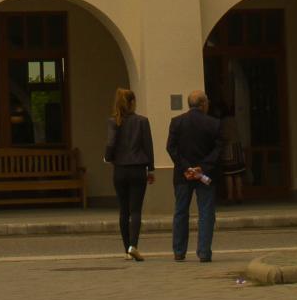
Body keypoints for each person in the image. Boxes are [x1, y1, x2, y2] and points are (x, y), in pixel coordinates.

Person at [165, 88, 223, 262]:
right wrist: (202, 168)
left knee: (181, 212)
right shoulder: (214, 123)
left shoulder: (177, 122)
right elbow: (218, 149)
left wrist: (186, 167)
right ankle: (204, 252)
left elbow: (171, 147)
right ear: (203, 104)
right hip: (205, 175)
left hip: (183, 175)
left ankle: (179, 251)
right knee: (206, 213)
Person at [103, 87, 155, 261]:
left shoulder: (114, 121)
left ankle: (126, 250)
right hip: (138, 169)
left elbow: (110, 143)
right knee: (136, 210)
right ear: (132, 102)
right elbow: (148, 146)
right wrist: (151, 169)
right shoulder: (142, 121)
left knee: (123, 210)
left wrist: (108, 157)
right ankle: (134, 245)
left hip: (120, 169)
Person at [215, 103, 246, 204]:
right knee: (238, 173)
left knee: (228, 173)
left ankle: (230, 196)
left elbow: (224, 136)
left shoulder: (223, 122)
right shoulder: (234, 120)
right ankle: (240, 195)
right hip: (237, 147)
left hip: (228, 148)